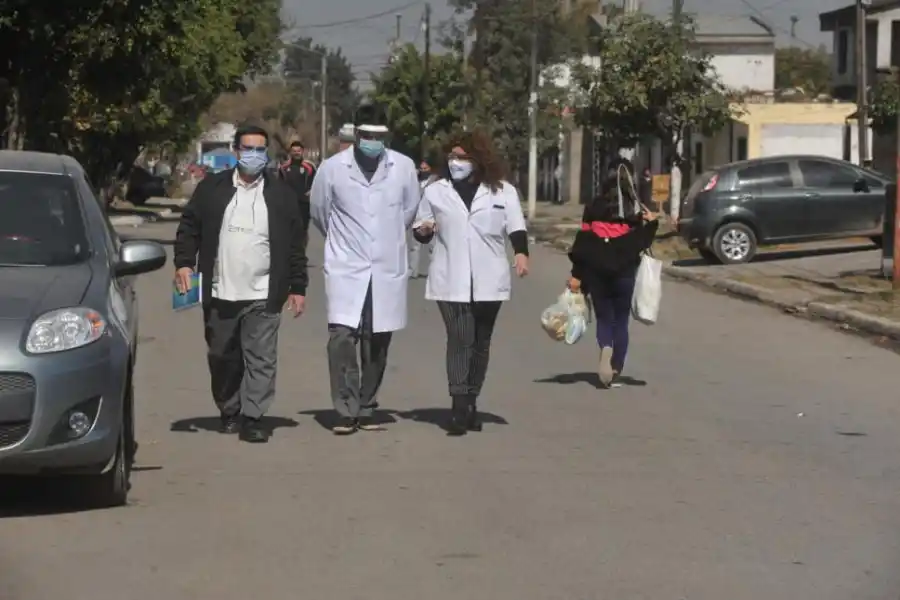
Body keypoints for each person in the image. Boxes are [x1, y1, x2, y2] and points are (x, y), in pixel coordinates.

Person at [173, 125, 308, 443]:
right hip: (220, 290)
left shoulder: (281, 195)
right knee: (222, 356)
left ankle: (254, 417)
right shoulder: (212, 188)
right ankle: (229, 410)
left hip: (264, 293)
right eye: (248, 149)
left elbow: (294, 246)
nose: (254, 155)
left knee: (261, 358)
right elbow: (189, 226)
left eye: (261, 150)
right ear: (236, 151)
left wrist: (297, 287)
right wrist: (183, 263)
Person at [310, 103, 421, 435]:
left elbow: (409, 210)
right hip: (346, 266)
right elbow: (320, 211)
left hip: (386, 267)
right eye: (367, 135)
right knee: (341, 338)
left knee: (377, 340)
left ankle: (367, 403)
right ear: (356, 134)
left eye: (380, 136)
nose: (373, 141)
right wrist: (348, 241)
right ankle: (346, 408)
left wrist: (382, 239)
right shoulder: (332, 169)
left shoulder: (403, 167)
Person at [412, 130, 529, 436]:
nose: (456, 162)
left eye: (462, 157)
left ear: (478, 159)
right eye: (452, 156)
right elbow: (420, 226)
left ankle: (472, 399)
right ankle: (459, 406)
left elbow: (516, 227)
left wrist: (521, 254)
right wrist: (424, 231)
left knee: (480, 343)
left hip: (490, 277)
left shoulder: (502, 191)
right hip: (449, 277)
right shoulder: (436, 191)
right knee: (460, 338)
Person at [566, 170, 658, 389]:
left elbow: (584, 244)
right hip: (624, 273)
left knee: (604, 318)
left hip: (597, 272)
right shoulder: (633, 210)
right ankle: (615, 366)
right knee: (621, 321)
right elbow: (642, 241)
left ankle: (606, 347)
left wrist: (577, 274)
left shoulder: (593, 208)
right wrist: (652, 223)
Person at [280, 141, 316, 235]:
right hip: (288, 204)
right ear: (290, 152)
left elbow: (316, 183)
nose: (296, 153)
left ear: (302, 151)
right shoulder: (284, 167)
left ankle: (302, 247)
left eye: (298, 151)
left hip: (304, 204)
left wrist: (311, 192)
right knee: (288, 231)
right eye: (294, 151)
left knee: (302, 231)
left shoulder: (309, 167)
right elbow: (278, 184)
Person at [408, 159, 437, 278]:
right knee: (413, 247)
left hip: (431, 219)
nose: (423, 171)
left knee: (433, 248)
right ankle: (412, 271)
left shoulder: (436, 182)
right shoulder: (415, 182)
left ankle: (434, 273)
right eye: (422, 169)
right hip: (416, 219)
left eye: (426, 169)